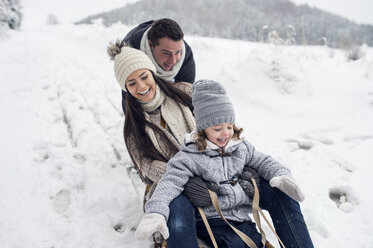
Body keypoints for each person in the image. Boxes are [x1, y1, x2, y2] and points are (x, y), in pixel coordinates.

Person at [107, 43, 314, 248]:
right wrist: (190, 180)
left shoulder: (184, 91)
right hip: (178, 182)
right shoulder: (133, 127)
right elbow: (148, 167)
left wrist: (243, 170)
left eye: (144, 77)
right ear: (125, 88)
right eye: (132, 83)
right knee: (176, 210)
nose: (141, 86)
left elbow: (222, 122)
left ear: (153, 73)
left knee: (280, 191)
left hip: (223, 177)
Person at [134, 80, 310, 247]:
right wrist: (156, 211)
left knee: (273, 206)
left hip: (240, 218)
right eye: (217, 129)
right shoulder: (190, 156)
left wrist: (281, 174)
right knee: (233, 243)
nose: (225, 133)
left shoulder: (240, 147)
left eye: (229, 126)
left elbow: (263, 160)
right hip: (211, 221)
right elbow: (170, 182)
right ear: (203, 129)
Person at [121, 18, 196, 113]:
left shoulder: (185, 54)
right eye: (166, 53)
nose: (173, 60)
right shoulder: (131, 49)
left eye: (177, 52)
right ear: (151, 44)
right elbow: (130, 101)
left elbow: (186, 99)